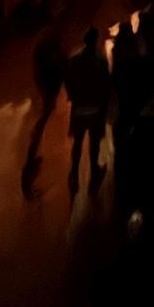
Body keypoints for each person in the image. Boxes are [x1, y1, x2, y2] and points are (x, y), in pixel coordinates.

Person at [65, 26, 111, 196]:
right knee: (94, 143)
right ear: (96, 41)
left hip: (79, 108)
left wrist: (73, 97)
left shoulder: (74, 60)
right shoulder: (101, 61)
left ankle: (74, 174)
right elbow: (106, 86)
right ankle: (94, 175)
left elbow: (68, 81)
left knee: (77, 142)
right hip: (95, 108)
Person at [21, 27, 66, 194]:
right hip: (48, 86)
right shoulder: (51, 54)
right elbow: (60, 67)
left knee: (43, 118)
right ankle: (29, 166)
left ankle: (31, 161)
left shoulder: (42, 50)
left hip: (46, 85)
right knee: (42, 121)